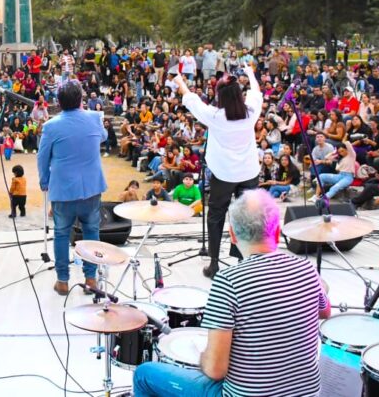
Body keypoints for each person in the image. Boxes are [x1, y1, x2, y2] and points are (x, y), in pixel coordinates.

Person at [132, 190, 330, 397]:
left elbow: (216, 370)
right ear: (278, 232)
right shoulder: (306, 269)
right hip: (307, 393)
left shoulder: (229, 281)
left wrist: (203, 357)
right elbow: (325, 312)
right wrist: (316, 286)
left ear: (233, 235)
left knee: (144, 374)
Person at [174, 65, 263, 278]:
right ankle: (243, 259)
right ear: (239, 95)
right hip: (249, 172)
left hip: (224, 174)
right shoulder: (251, 112)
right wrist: (250, 73)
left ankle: (214, 263)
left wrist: (179, 80)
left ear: (220, 97)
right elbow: (256, 91)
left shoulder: (214, 116)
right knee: (247, 216)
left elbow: (190, 98)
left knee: (216, 215)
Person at [37, 79, 108, 296]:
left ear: (58, 102)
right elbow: (103, 138)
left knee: (61, 234)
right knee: (91, 232)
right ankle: (90, 279)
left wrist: (44, 182)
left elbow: (42, 157)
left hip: (63, 190)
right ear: (81, 100)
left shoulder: (50, 126)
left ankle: (63, 281)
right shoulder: (94, 118)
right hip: (91, 188)